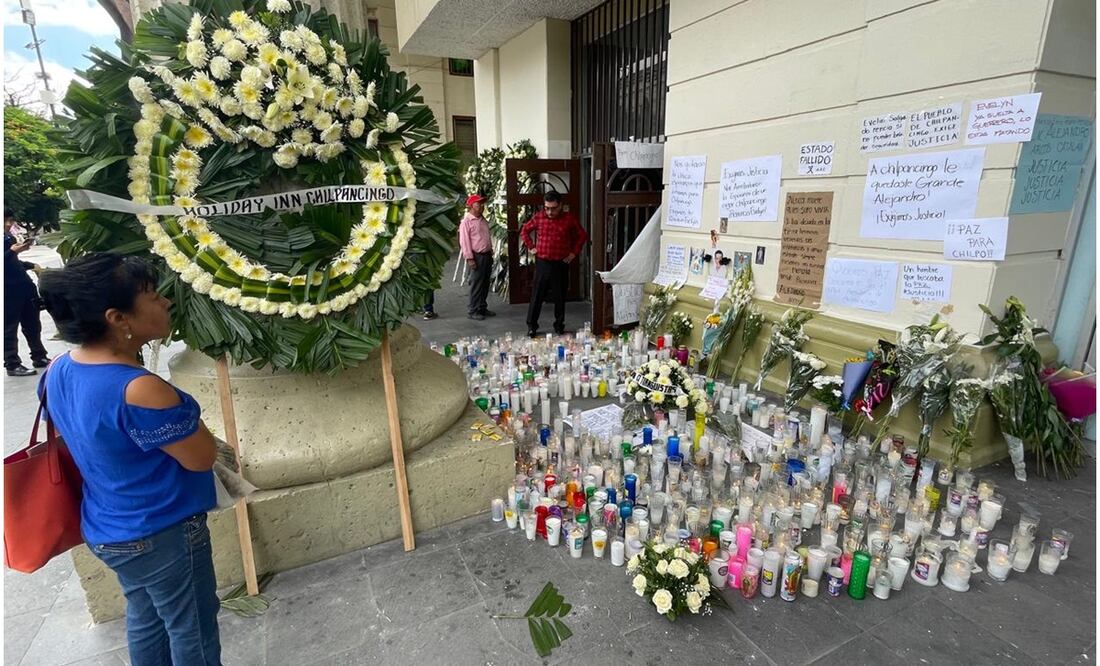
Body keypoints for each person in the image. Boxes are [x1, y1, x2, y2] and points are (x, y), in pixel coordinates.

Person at [38, 253, 221, 665]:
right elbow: (201, 458)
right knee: (193, 631)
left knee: (147, 618)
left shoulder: (57, 371)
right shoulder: (138, 389)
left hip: (110, 530)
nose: (165, 303)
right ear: (118, 318)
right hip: (161, 532)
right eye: (151, 295)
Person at [520, 191, 587, 337]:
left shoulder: (568, 219)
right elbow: (524, 230)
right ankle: (532, 326)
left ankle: (559, 325)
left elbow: (582, 235)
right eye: (547, 208)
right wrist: (531, 246)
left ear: (561, 205)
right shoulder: (539, 217)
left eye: (553, 208)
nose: (550, 212)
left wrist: (573, 253)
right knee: (537, 295)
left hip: (560, 263)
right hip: (543, 262)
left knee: (560, 296)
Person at [5, 209, 49, 376]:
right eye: (4, 220)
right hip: (7, 291)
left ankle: (39, 356)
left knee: (32, 323)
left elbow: (12, 263)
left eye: (10, 220)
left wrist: (30, 265)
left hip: (23, 287)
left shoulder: (8, 238)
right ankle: (12, 363)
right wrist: (13, 252)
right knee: (9, 327)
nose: (8, 224)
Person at [459, 194, 495, 321]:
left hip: (486, 254)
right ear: (471, 206)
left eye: (482, 204)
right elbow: (464, 241)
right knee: (477, 283)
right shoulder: (466, 222)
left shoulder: (483, 219)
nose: (481, 206)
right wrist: (469, 258)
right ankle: (473, 309)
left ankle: (482, 306)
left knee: (485, 282)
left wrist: (491, 250)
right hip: (476, 255)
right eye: (478, 204)